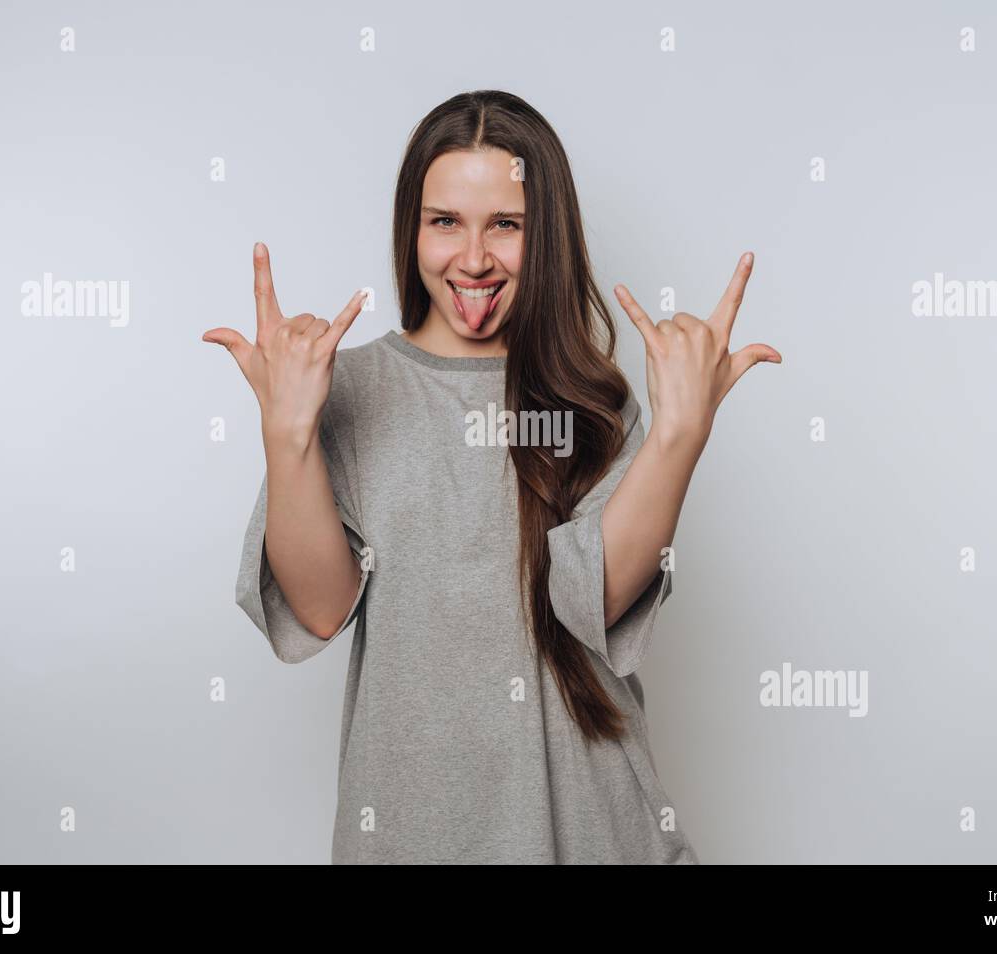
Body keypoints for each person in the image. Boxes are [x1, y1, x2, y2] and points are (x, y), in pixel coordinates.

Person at [201, 89, 781, 864]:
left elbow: (593, 601)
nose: (473, 258)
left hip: (595, 836)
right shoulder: (350, 391)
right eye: (445, 222)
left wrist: (679, 436)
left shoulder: (594, 404)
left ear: (546, 239)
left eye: (505, 225)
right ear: (412, 230)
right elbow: (317, 609)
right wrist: (288, 434)